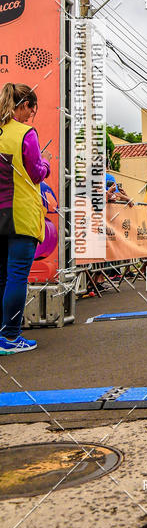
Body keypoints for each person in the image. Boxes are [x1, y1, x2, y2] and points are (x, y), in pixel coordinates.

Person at [0, 83, 50, 354]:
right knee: (17, 276)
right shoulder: (25, 134)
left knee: (2, 277)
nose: (32, 115)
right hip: (20, 213)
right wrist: (47, 163)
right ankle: (10, 336)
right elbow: (36, 172)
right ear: (24, 105)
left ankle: (2, 334)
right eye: (32, 109)